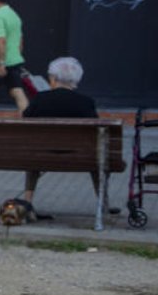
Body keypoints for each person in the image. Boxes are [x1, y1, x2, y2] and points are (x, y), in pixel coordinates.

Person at [21, 56, 105, 205]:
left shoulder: (40, 99)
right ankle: (103, 203)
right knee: (98, 161)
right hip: (80, 157)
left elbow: (25, 119)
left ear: (53, 78)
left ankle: (27, 201)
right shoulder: (86, 102)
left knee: (34, 158)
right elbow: (96, 130)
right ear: (76, 80)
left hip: (43, 155)